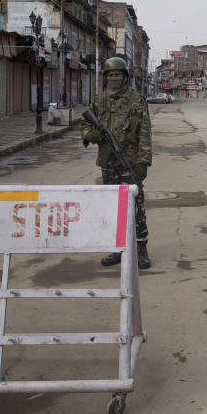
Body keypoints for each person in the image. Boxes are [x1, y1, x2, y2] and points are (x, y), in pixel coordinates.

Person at [82, 57, 153, 269]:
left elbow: (145, 132)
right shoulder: (99, 100)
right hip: (109, 163)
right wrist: (91, 134)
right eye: (110, 76)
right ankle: (117, 248)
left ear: (125, 77)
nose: (114, 79)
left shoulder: (137, 100)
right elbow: (85, 123)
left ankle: (141, 248)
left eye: (117, 75)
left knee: (137, 204)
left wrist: (143, 161)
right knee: (113, 207)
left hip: (129, 161)